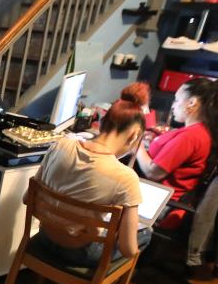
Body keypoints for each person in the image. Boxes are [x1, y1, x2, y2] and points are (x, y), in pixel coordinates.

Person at [33, 83, 152, 267]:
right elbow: (128, 249)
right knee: (146, 232)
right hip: (80, 253)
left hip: (44, 237)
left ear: (102, 122)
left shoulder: (60, 144)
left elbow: (28, 199)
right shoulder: (126, 177)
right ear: (135, 135)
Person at [136, 77, 218, 229]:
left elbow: (152, 172)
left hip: (161, 202)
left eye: (176, 100)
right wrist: (157, 141)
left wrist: (136, 145)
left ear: (192, 103)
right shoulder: (200, 130)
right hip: (168, 197)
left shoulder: (190, 137)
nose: (173, 106)